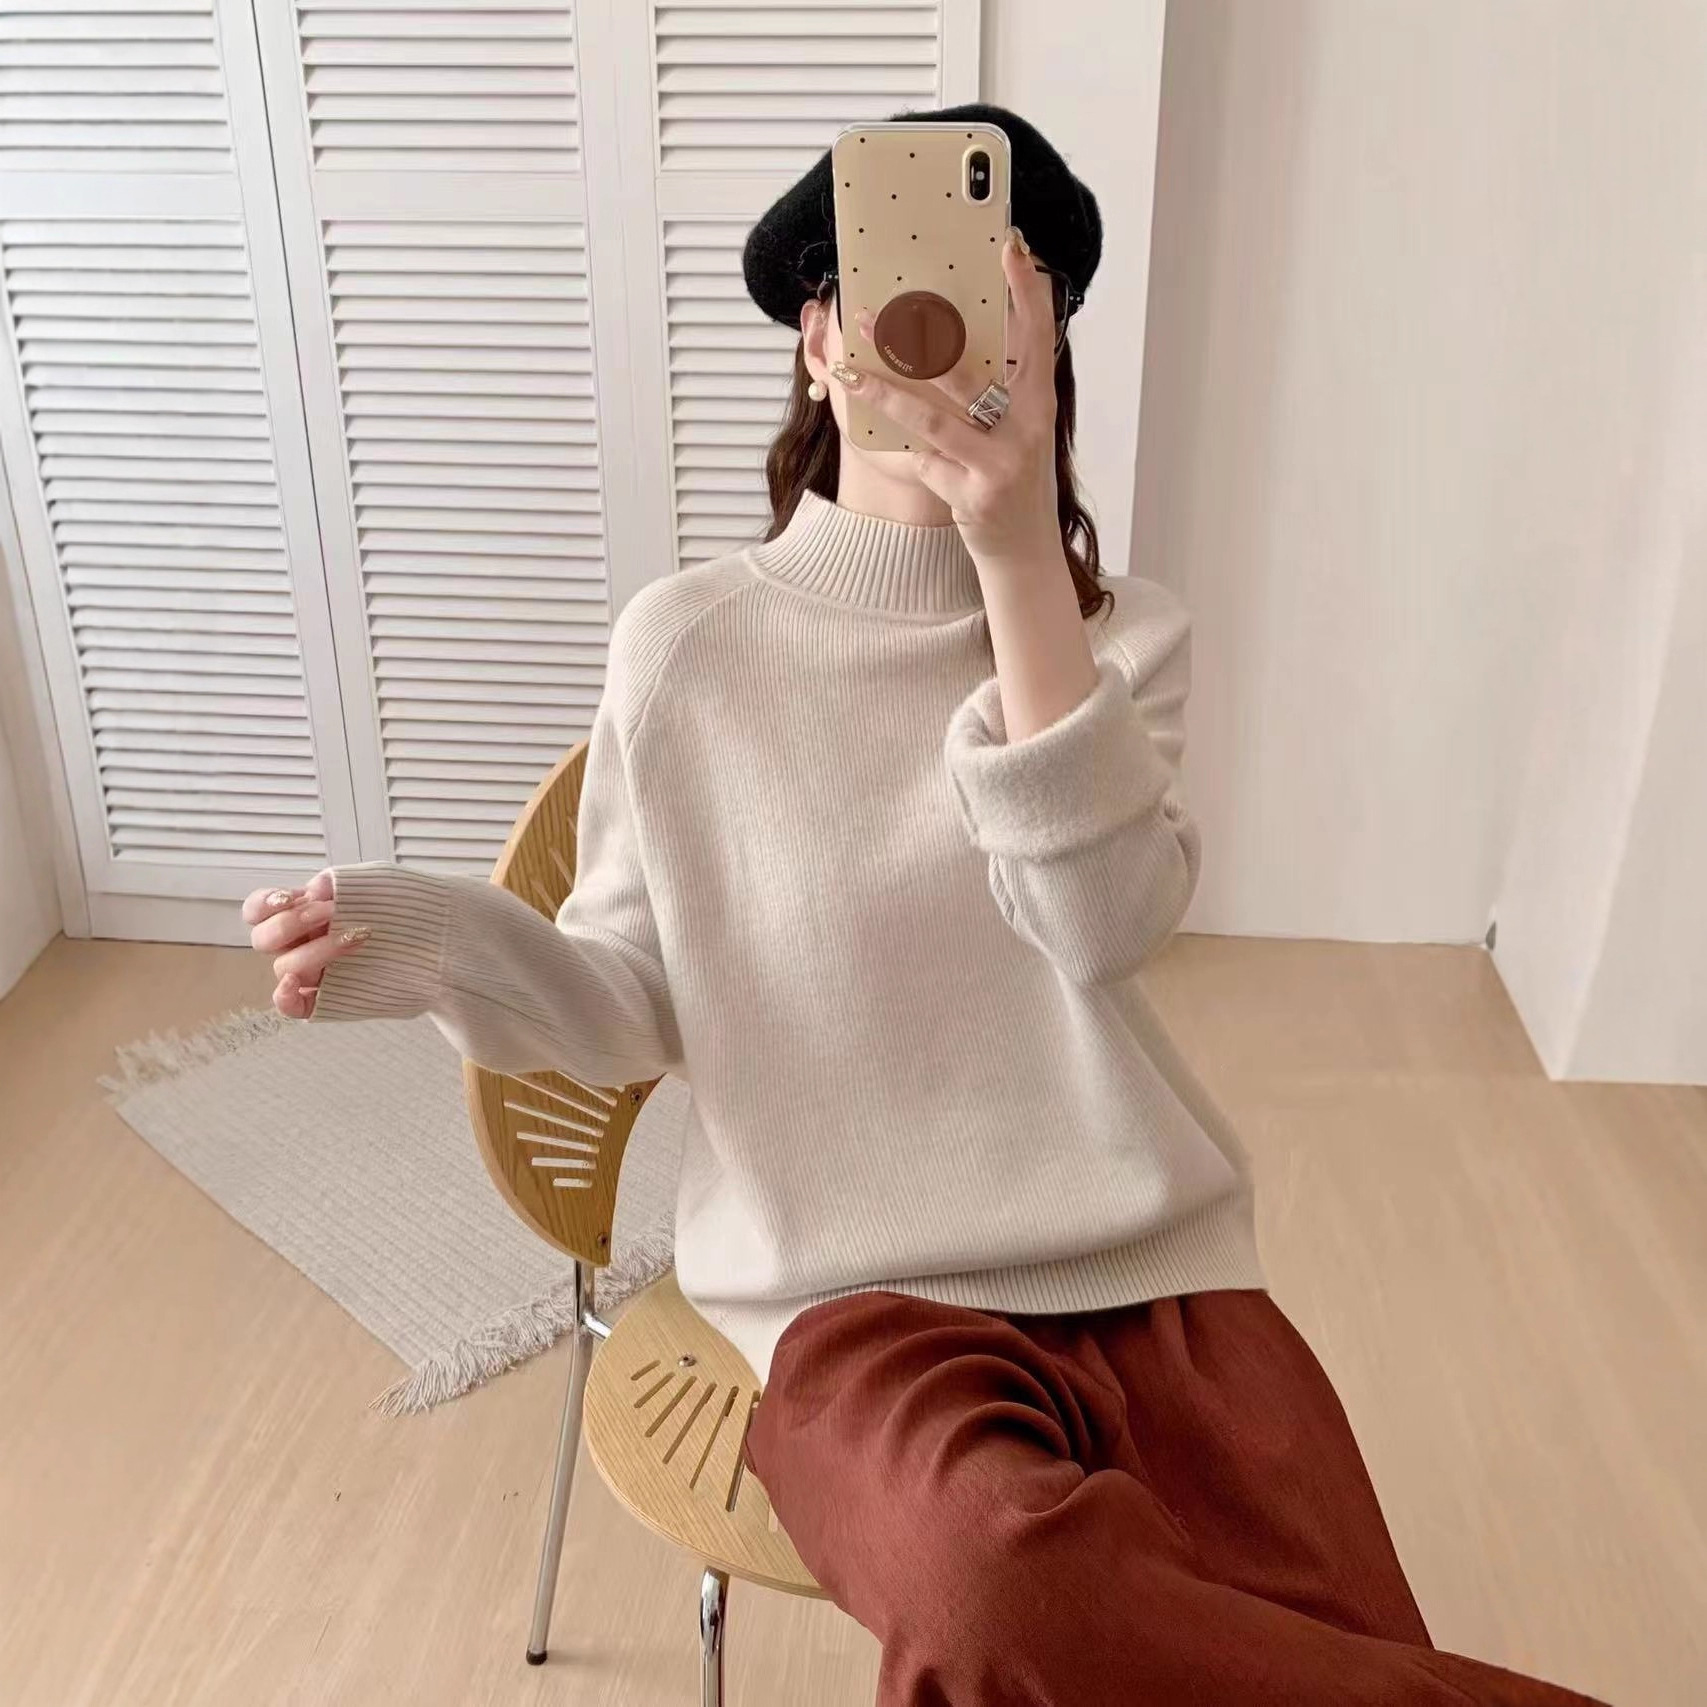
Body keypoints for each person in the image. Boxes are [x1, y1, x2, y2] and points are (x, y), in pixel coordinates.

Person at [243, 104, 1606, 1707]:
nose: (930, 317)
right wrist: (430, 941)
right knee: (995, 1587)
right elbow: (627, 1005)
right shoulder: (686, 649)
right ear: (817, 339)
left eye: (991, 285)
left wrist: (1017, 560)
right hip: (853, 1301)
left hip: (1150, 1269)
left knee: (1343, 1626)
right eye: (887, 276)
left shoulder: (1125, 640)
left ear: (1044, 346)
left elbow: (1100, 928)